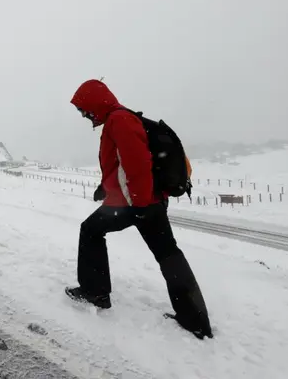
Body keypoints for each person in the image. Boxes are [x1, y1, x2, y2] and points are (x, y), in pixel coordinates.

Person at [65, 79, 213, 340]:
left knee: (90, 230)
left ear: (94, 103)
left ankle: (95, 292)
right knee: (168, 254)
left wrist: (140, 204)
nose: (84, 115)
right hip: (146, 201)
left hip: (136, 204)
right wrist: (106, 188)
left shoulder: (119, 120)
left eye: (84, 109)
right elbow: (120, 165)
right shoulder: (122, 118)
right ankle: (195, 320)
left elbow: (137, 164)